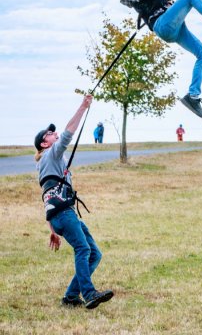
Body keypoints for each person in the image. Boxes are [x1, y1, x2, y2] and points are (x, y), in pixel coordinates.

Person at [34, 95, 114, 309]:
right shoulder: (50, 154)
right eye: (50, 134)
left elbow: (47, 199)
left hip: (62, 215)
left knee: (94, 253)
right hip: (64, 215)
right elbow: (69, 133)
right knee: (83, 249)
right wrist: (83, 107)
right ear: (45, 143)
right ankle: (88, 294)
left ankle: (70, 297)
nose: (54, 133)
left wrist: (52, 229)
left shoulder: (50, 163)